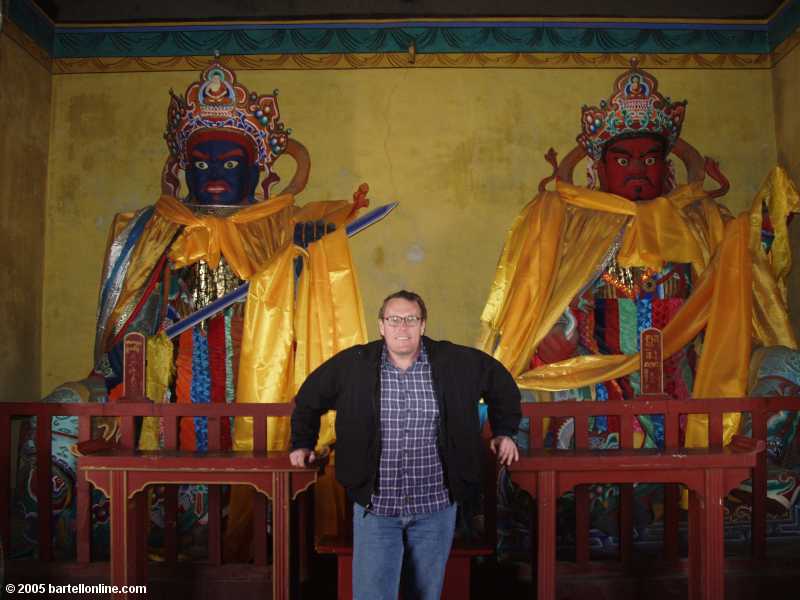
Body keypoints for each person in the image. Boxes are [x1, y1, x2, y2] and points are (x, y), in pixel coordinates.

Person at [479, 60, 800, 555]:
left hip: (691, 381)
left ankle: (743, 471)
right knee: (501, 396)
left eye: (650, 159)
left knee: (786, 364)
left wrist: (755, 233)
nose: (638, 170)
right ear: (598, 168)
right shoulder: (573, 227)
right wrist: (556, 337)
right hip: (594, 384)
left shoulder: (702, 222)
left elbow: (737, 306)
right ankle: (590, 507)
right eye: (623, 160)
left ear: (667, 165)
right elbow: (541, 316)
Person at [290, 290, 522, 599]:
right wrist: (302, 443)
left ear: (423, 325)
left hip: (435, 505)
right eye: (394, 319)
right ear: (382, 326)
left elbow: (501, 384)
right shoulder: (354, 364)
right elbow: (308, 399)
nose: (403, 327)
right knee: (373, 594)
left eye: (411, 319)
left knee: (424, 594)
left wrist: (504, 432)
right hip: (376, 505)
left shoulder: (456, 362)